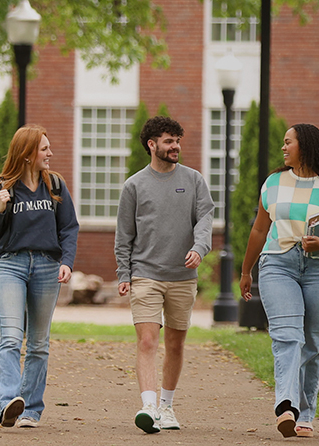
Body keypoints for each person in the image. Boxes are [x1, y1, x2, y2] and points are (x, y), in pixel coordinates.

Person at [240, 123, 319, 438]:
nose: (283, 148)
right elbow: (258, 229)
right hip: (278, 264)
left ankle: (305, 413)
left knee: (314, 342)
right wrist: (245, 270)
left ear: (305, 146)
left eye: (288, 142)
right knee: (286, 336)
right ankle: (286, 406)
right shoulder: (274, 182)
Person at [115, 116, 214, 434]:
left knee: (175, 344)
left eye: (177, 140)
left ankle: (167, 407)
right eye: (169, 141)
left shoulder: (194, 180)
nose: (176, 147)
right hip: (146, 274)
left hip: (183, 276)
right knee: (147, 341)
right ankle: (149, 405)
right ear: (152, 144)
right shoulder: (134, 185)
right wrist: (124, 272)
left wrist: (200, 247)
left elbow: (205, 218)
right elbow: (124, 235)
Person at [0, 124, 79, 429]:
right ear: (27, 154)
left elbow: (69, 228)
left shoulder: (56, 186)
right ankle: (9, 401)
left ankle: (31, 410)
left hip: (47, 268)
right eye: (44, 148)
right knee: (11, 338)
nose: (50, 153)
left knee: (38, 343)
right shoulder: (3, 187)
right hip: (11, 265)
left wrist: (67, 262)